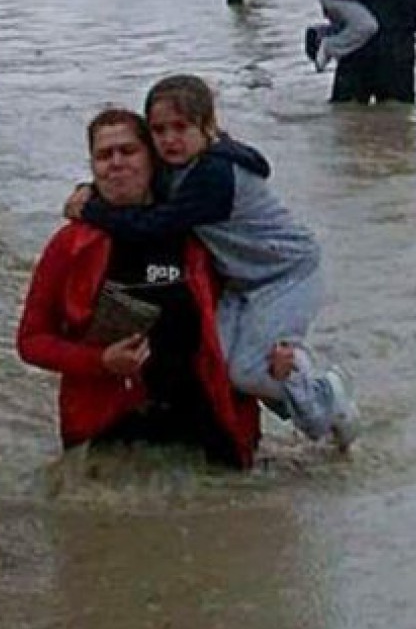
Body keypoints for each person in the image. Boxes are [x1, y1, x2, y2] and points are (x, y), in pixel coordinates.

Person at [64, 76, 361, 450]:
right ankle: (302, 389)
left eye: (181, 128)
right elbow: (129, 178)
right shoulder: (181, 160)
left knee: (248, 372)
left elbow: (155, 225)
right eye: (159, 130)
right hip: (243, 279)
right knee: (217, 363)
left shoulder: (214, 175)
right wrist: (89, 186)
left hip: (287, 272)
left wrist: (91, 211)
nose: (170, 140)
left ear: (208, 126)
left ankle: (321, 388)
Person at [16, 108, 260, 468]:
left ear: (153, 158)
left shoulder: (204, 231)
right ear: (92, 166)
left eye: (128, 151)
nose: (116, 163)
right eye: (103, 155)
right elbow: (31, 341)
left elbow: (260, 294)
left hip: (207, 419)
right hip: (107, 423)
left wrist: (279, 352)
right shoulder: (69, 245)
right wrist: (100, 361)